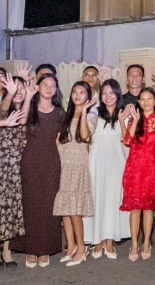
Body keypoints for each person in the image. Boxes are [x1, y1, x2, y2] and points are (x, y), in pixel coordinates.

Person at [13, 72, 64, 266]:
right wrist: (28, 96)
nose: (49, 89)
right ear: (38, 87)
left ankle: (46, 249)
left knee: (49, 206)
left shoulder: (60, 112)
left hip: (51, 161)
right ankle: (31, 249)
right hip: (30, 161)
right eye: (45, 85)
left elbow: (61, 139)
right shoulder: (31, 108)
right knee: (31, 205)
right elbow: (21, 121)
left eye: (53, 85)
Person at [0, 74, 27, 268]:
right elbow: (2, 112)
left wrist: (29, 96)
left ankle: (7, 250)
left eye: (21, 88)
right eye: (13, 88)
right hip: (0, 165)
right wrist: (9, 95)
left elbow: (24, 123)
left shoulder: (27, 111)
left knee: (14, 208)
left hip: (19, 165)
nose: (18, 92)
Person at [82, 78, 130, 257]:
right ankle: (97, 242)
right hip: (96, 161)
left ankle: (109, 243)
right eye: (104, 93)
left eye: (111, 93)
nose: (108, 96)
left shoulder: (125, 113)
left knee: (113, 201)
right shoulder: (94, 112)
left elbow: (127, 139)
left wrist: (123, 120)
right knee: (96, 199)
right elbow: (86, 135)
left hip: (117, 162)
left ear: (117, 94)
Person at [120, 86, 155, 260]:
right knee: (134, 209)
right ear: (139, 101)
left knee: (148, 208)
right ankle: (134, 244)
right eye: (142, 99)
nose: (146, 102)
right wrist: (129, 121)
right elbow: (127, 141)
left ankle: (146, 242)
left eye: (149, 99)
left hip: (150, 169)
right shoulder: (134, 119)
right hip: (134, 168)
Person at [54, 80, 94, 266]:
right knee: (65, 208)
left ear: (88, 97)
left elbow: (84, 135)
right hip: (64, 162)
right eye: (75, 92)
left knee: (74, 209)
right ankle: (70, 246)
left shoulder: (91, 115)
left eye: (82, 92)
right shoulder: (66, 115)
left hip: (78, 164)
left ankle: (81, 247)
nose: (77, 95)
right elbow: (58, 140)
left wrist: (84, 112)